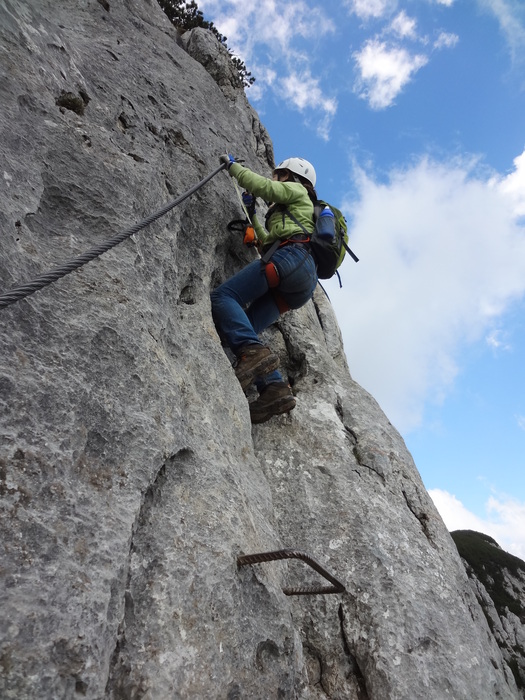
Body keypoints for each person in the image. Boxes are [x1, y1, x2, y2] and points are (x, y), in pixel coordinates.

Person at [211, 155, 319, 424]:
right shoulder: (292, 212)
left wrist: (234, 168)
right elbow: (265, 243)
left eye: (278, 174)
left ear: (291, 176)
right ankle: (274, 388)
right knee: (243, 325)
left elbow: (265, 188)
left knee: (224, 297)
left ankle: (253, 354)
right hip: (301, 283)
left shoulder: (297, 190)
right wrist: (252, 216)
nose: (274, 179)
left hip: (292, 258)